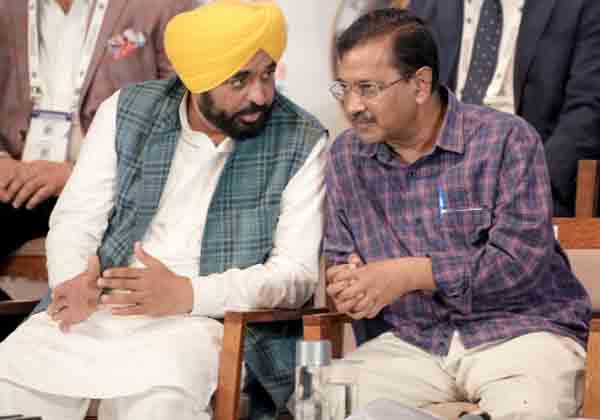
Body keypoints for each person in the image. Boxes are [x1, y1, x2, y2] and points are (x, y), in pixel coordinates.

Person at [0, 1, 328, 419]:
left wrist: (188, 294)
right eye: (239, 80)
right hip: (98, 310)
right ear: (196, 79)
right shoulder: (128, 110)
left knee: (159, 403)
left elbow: (295, 277)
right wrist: (73, 278)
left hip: (205, 323)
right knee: (8, 381)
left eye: (267, 74)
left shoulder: (300, 138)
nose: (261, 95)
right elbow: (76, 218)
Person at [324, 8, 590, 420]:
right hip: (414, 343)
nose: (353, 105)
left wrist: (411, 274)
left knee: (529, 408)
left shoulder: (506, 140)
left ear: (420, 85)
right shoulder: (346, 157)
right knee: (328, 400)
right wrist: (349, 285)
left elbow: (520, 263)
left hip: (519, 333)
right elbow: (342, 258)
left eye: (368, 88)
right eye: (344, 88)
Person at [0, 0, 194, 262]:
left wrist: (80, 174)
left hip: (112, 189)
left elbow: (184, 116)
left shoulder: (162, 6)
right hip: (16, 180)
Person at [408, 0, 600, 216]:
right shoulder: (426, 6)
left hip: (531, 179)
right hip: (437, 182)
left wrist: (530, 183)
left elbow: (587, 110)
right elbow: (406, 99)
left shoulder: (582, 6)